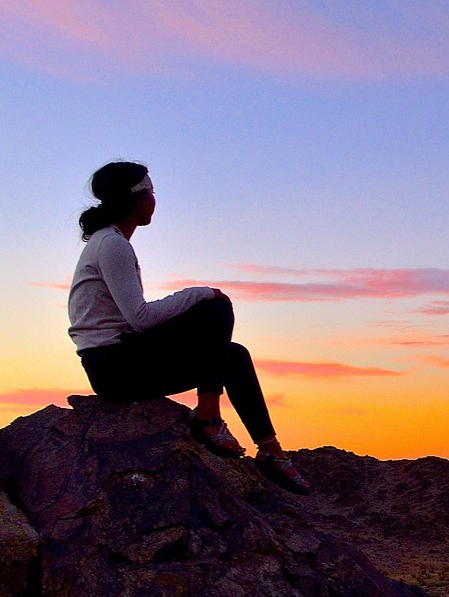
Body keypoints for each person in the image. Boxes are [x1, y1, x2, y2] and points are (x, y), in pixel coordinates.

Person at [67, 160, 310, 495]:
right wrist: (198, 293)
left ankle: (270, 450)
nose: (155, 199)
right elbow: (140, 318)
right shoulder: (111, 244)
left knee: (233, 356)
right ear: (138, 198)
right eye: (152, 192)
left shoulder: (109, 241)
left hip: (119, 359)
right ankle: (208, 417)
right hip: (114, 365)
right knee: (215, 307)